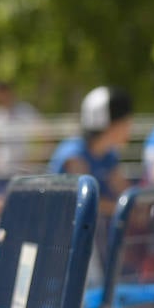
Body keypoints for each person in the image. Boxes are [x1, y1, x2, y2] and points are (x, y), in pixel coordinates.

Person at [48, 85, 134, 216]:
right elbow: (84, 202)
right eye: (126, 123)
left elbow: (122, 189)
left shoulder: (108, 155)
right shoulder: (74, 155)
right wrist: (126, 209)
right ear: (111, 125)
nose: (129, 129)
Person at [0, 80, 42, 176]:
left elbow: (43, 136)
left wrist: (33, 161)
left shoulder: (26, 111)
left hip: (23, 172)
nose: (3, 97)